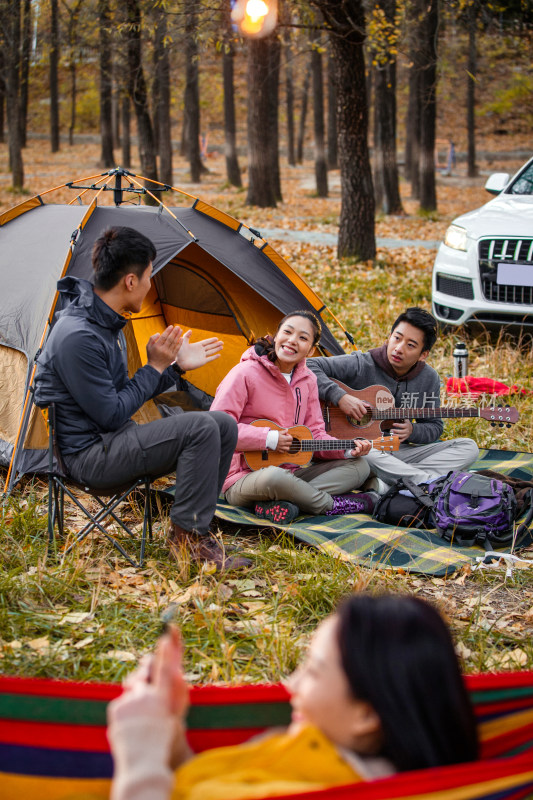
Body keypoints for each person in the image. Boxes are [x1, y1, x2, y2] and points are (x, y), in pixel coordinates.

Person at [107, 593, 479, 800]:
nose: (291, 684)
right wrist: (170, 741)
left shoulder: (324, 787)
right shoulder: (307, 751)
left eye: (313, 670)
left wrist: (139, 761)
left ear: (366, 715)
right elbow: (205, 785)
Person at [33, 226, 248, 571]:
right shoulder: (79, 336)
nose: (150, 286)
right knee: (200, 428)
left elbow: (120, 399)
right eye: (149, 276)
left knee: (222, 423)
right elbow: (112, 415)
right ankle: (187, 543)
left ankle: (196, 528)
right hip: (90, 458)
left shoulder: (102, 323)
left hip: (113, 441)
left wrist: (172, 368)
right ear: (131, 281)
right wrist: (156, 365)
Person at [209, 311, 376, 525]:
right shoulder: (244, 373)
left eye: (303, 337)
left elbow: (315, 434)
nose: (292, 341)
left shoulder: (308, 381)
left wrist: (346, 449)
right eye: (287, 332)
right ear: (276, 336)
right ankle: (334, 505)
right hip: (241, 477)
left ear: (312, 349)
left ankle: (285, 504)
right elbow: (218, 428)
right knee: (274, 477)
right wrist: (269, 438)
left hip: (291, 473)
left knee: (359, 466)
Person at [308, 307, 479, 493]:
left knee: (468, 447)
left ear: (423, 354)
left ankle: (390, 484)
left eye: (410, 345)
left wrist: (413, 430)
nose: (399, 348)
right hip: (360, 450)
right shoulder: (362, 363)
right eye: (397, 338)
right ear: (389, 337)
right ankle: (427, 484)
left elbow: (435, 427)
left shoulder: (429, 378)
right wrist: (340, 397)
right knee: (368, 453)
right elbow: (309, 365)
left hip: (399, 452)